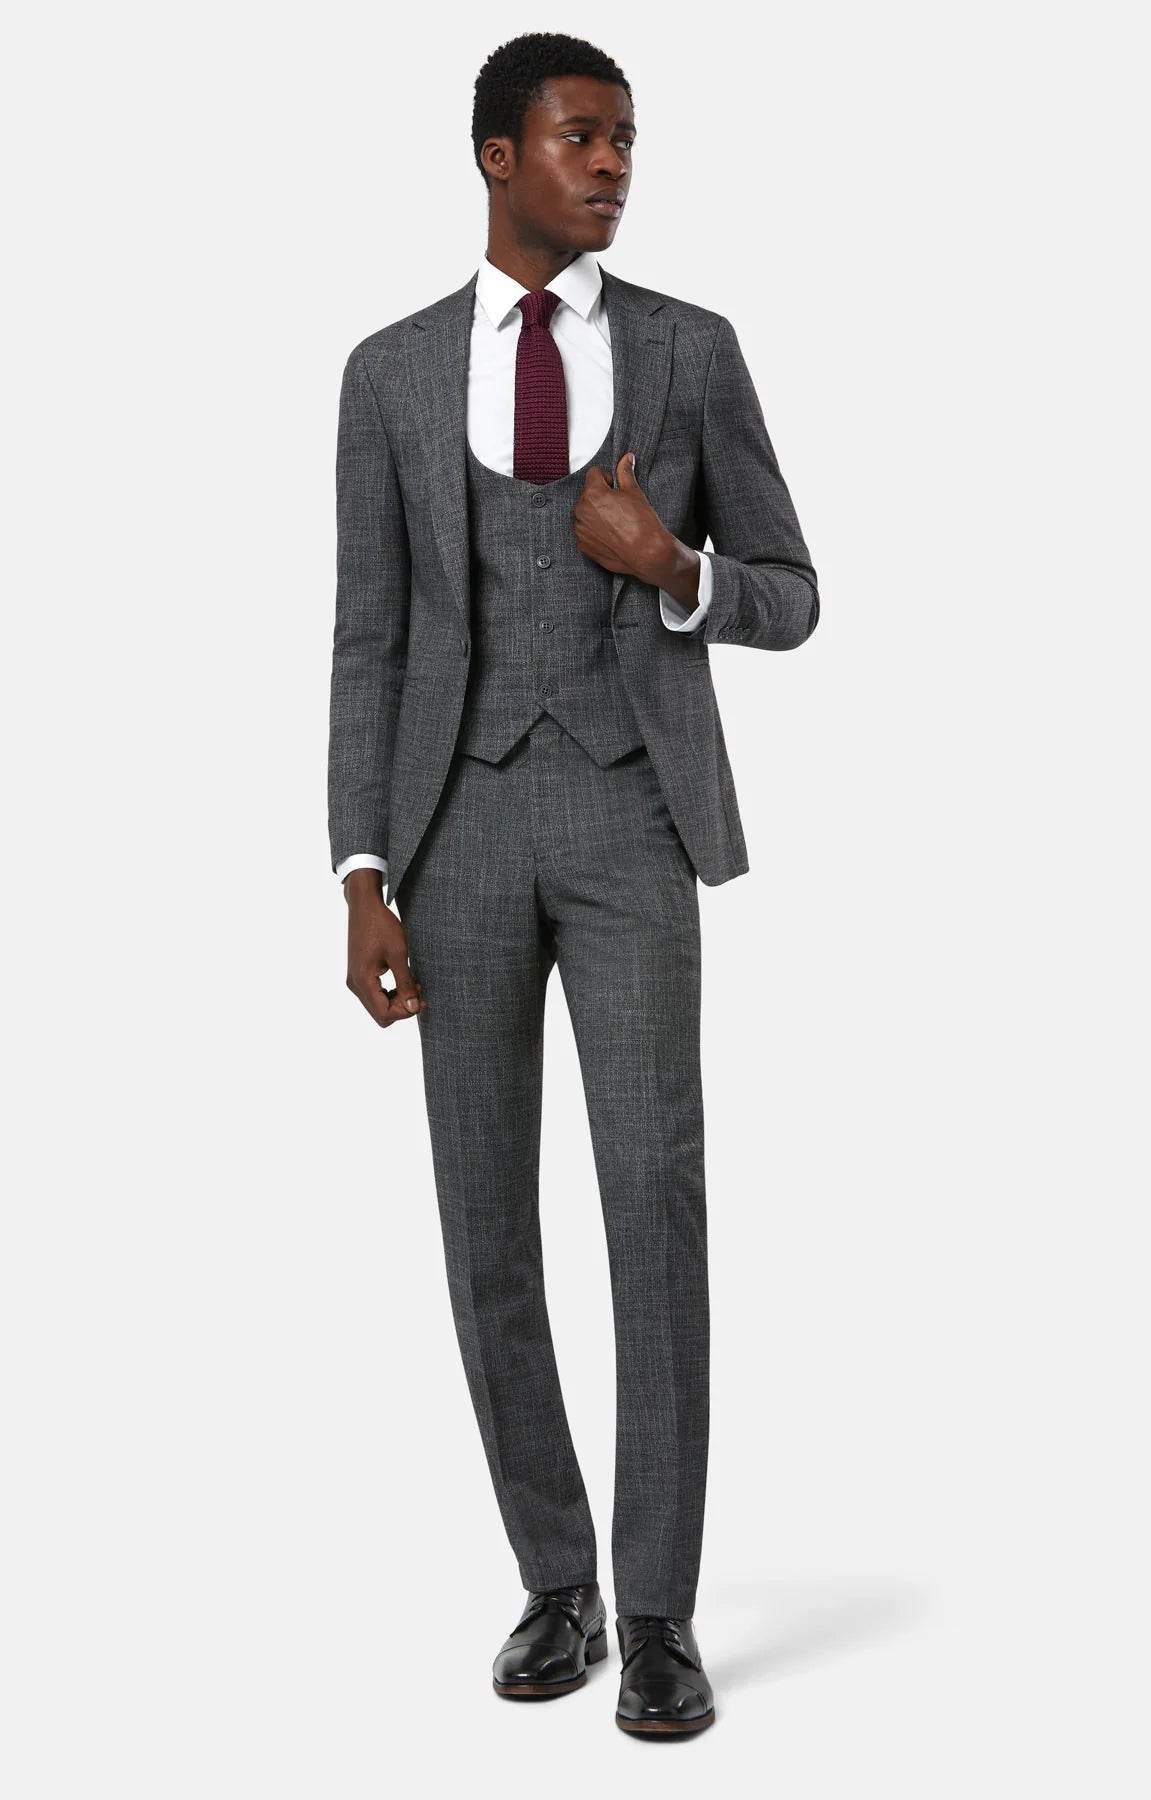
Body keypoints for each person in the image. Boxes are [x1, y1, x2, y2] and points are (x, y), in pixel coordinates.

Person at [327, 31, 820, 1737]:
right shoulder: (389, 374)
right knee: (483, 1216)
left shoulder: (691, 349)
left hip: (629, 821)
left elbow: (794, 590)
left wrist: (673, 564)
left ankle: (661, 1609)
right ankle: (558, 1581)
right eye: (581, 137)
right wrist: (361, 867)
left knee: (651, 1201)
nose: (613, 164)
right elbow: (369, 637)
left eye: (626, 140)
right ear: (497, 156)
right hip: (453, 829)